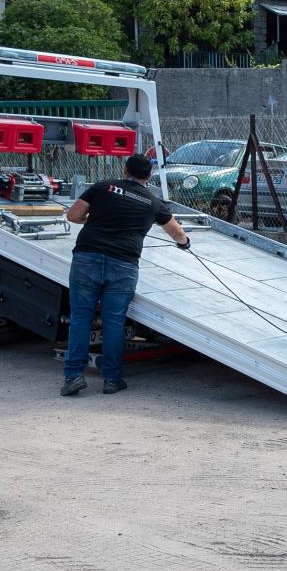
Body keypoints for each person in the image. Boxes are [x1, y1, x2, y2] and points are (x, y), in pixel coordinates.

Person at [61, 153, 191, 396]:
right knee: (114, 322)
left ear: (125, 170)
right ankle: (112, 380)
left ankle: (73, 377)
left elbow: (73, 216)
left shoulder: (102, 187)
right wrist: (184, 243)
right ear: (149, 176)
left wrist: (92, 219)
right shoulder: (153, 202)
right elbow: (176, 232)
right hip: (123, 265)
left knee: (80, 319)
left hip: (87, 258)